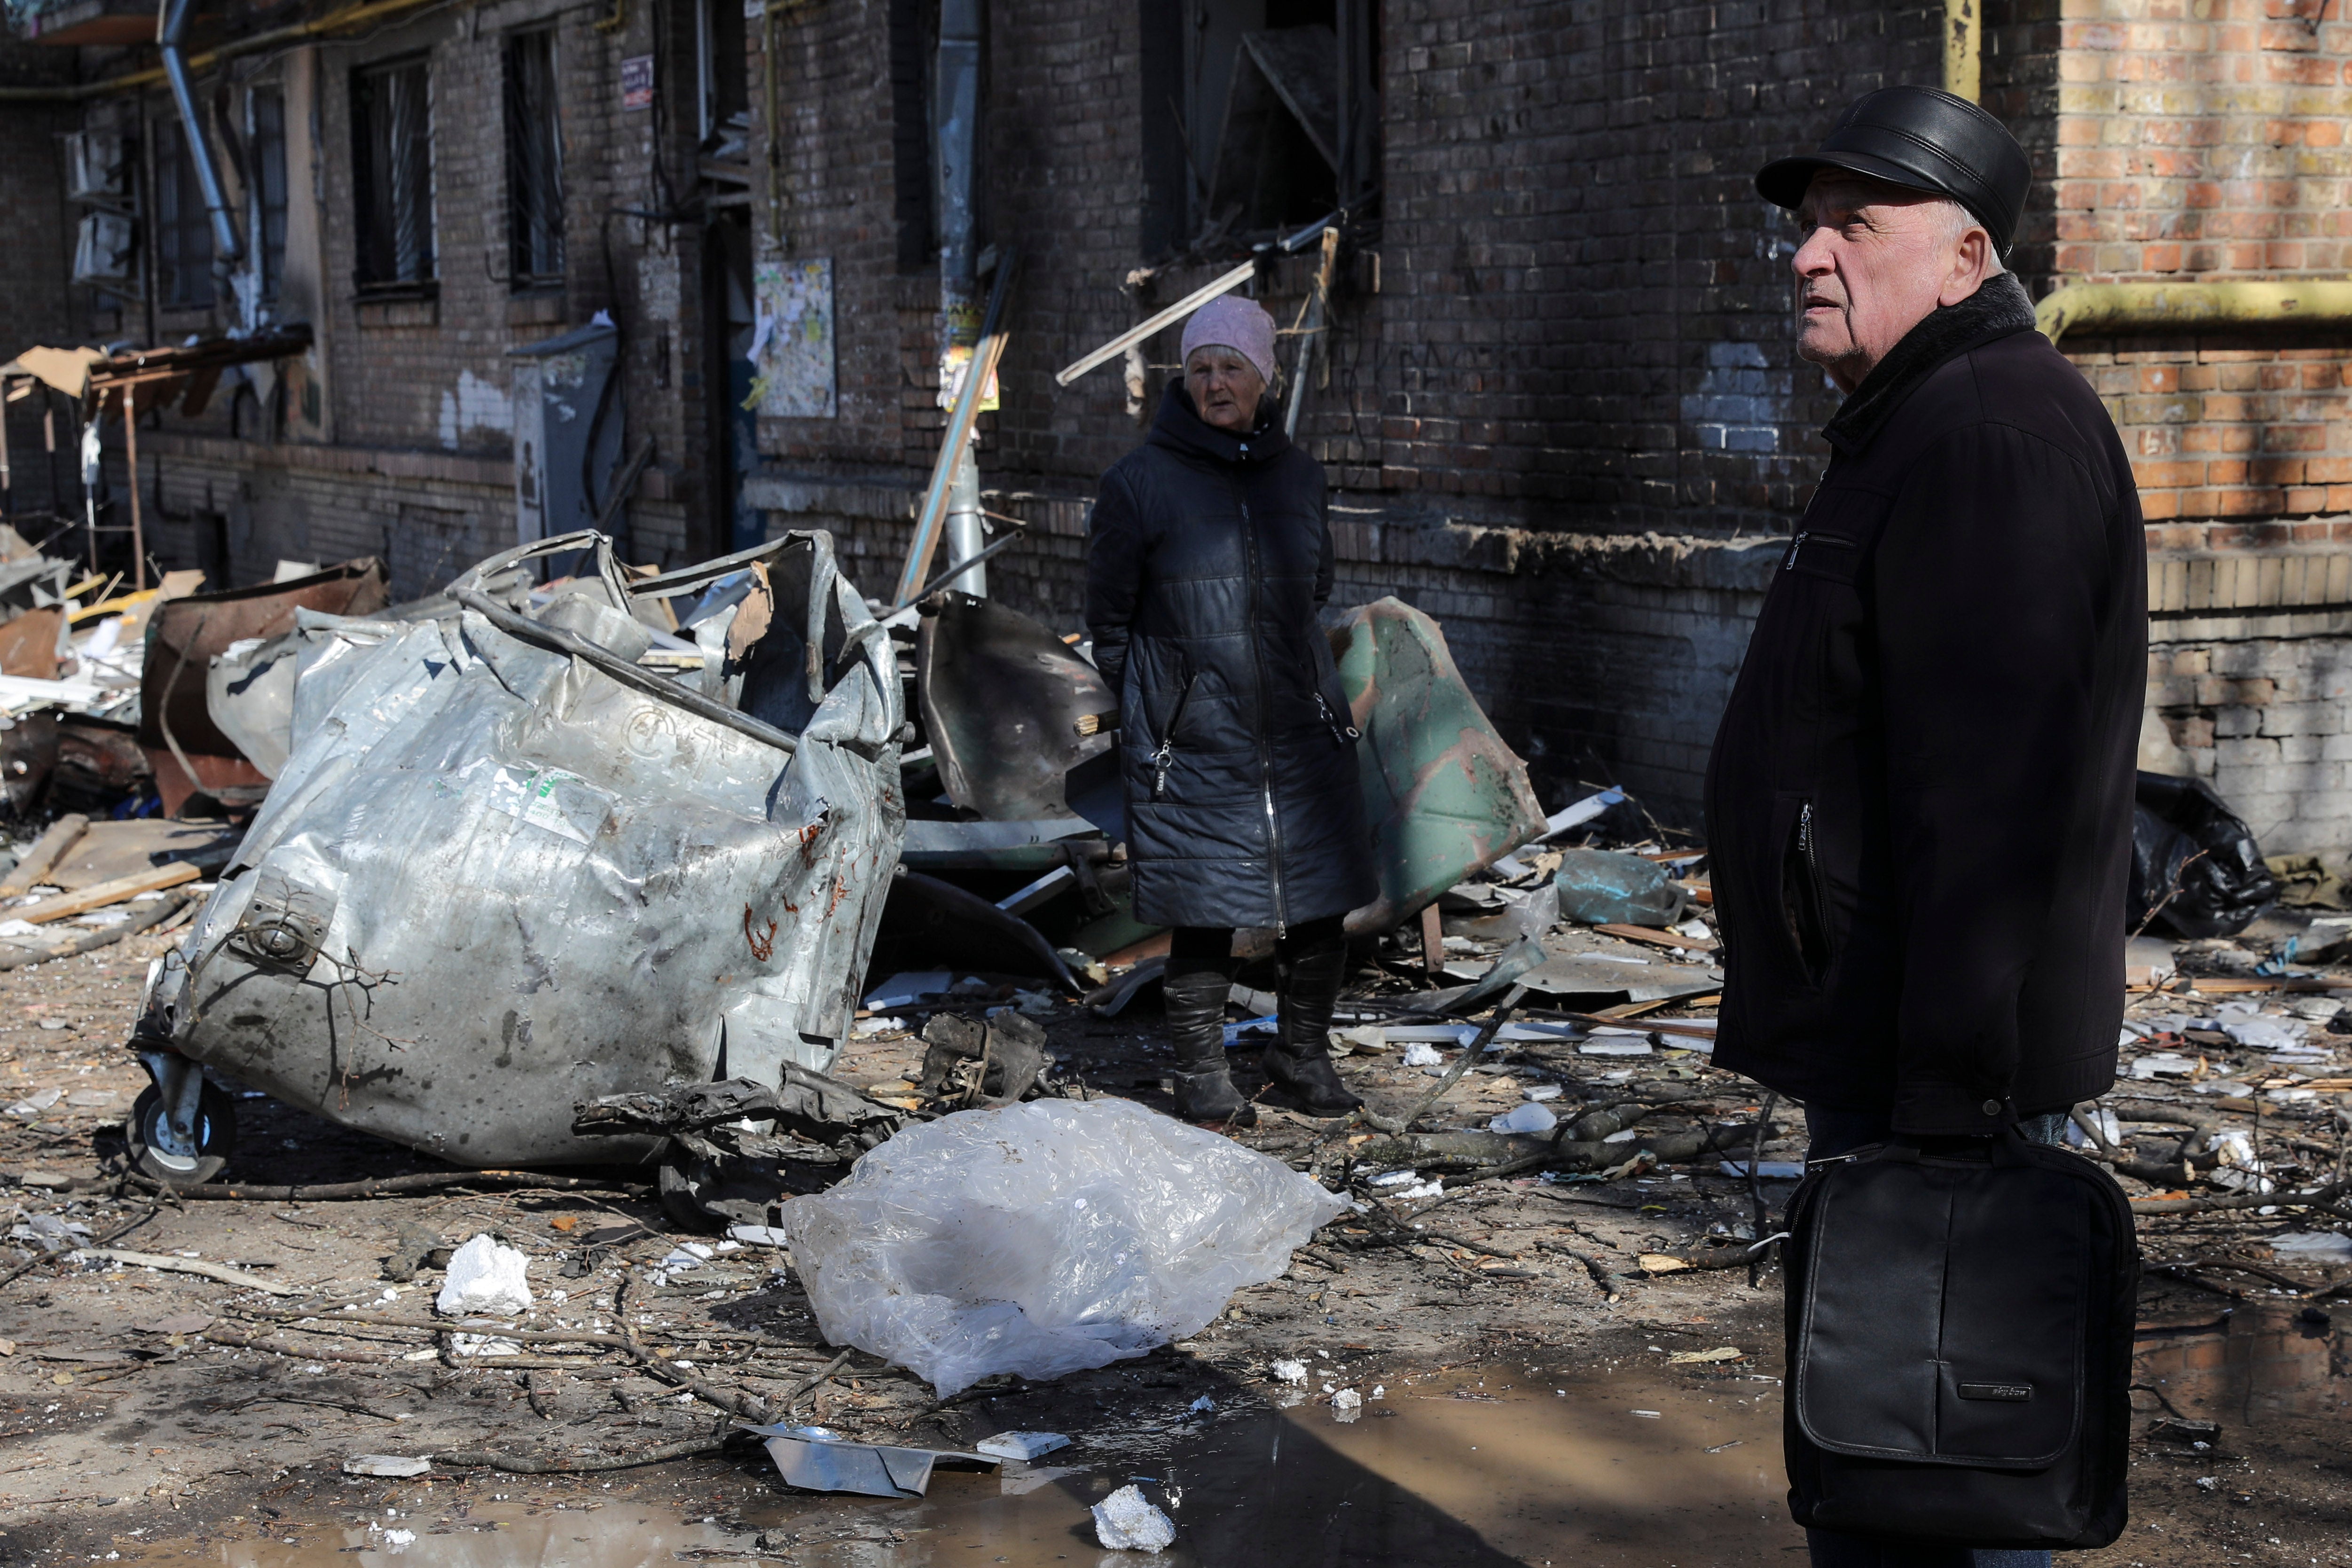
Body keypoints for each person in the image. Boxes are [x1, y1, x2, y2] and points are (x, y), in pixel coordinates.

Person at [1706, 87, 2148, 1568]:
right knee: (1898, 1454)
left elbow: (1992, 794)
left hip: (1937, 1070)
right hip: (1904, 1044)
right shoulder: (1925, 418)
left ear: (1963, 261)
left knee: (1941, 1468)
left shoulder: (1987, 436)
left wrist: (1948, 1101)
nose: (1808, 255)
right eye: (1804, 223)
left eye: (1854, 223)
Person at [1084, 294, 1376, 1128]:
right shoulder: (1138, 484)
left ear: (1264, 379)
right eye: (1201, 367)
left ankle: (1302, 1053)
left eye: (1232, 368)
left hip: (1296, 721)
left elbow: (1311, 592)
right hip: (1194, 734)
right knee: (1203, 911)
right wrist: (1160, 702)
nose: (1216, 383)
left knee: (1321, 903)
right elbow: (1111, 622)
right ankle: (1202, 1073)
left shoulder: (1300, 477)